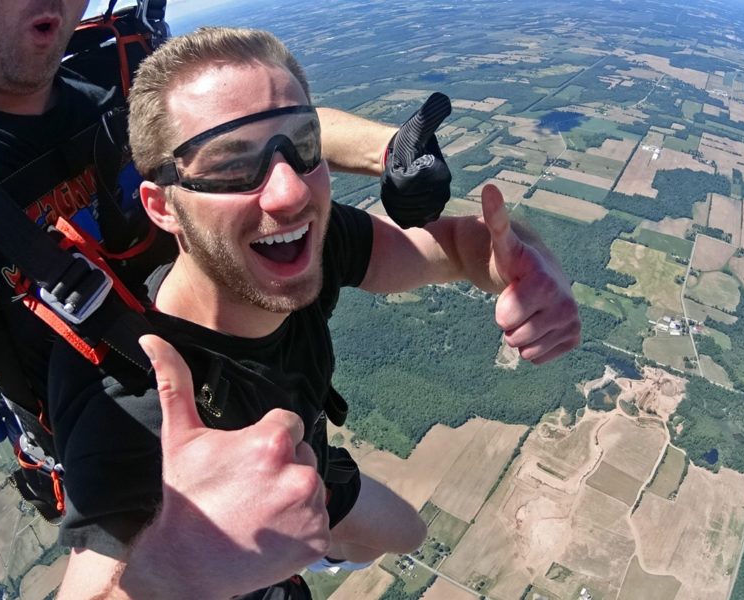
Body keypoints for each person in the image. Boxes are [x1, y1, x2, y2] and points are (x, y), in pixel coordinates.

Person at [47, 26, 581, 599]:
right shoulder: (132, 398)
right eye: (231, 165)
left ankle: (315, 529)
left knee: (403, 534)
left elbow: (458, 247)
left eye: (302, 147)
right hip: (206, 518)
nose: (290, 194)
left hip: (313, 463)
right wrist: (175, 567)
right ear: (162, 207)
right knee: (401, 530)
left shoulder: (309, 249)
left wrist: (528, 261)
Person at [0, 0, 450, 527]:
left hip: (239, 372)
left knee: (403, 531)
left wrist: (389, 151)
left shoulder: (117, 73)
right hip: (126, 453)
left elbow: (255, 130)